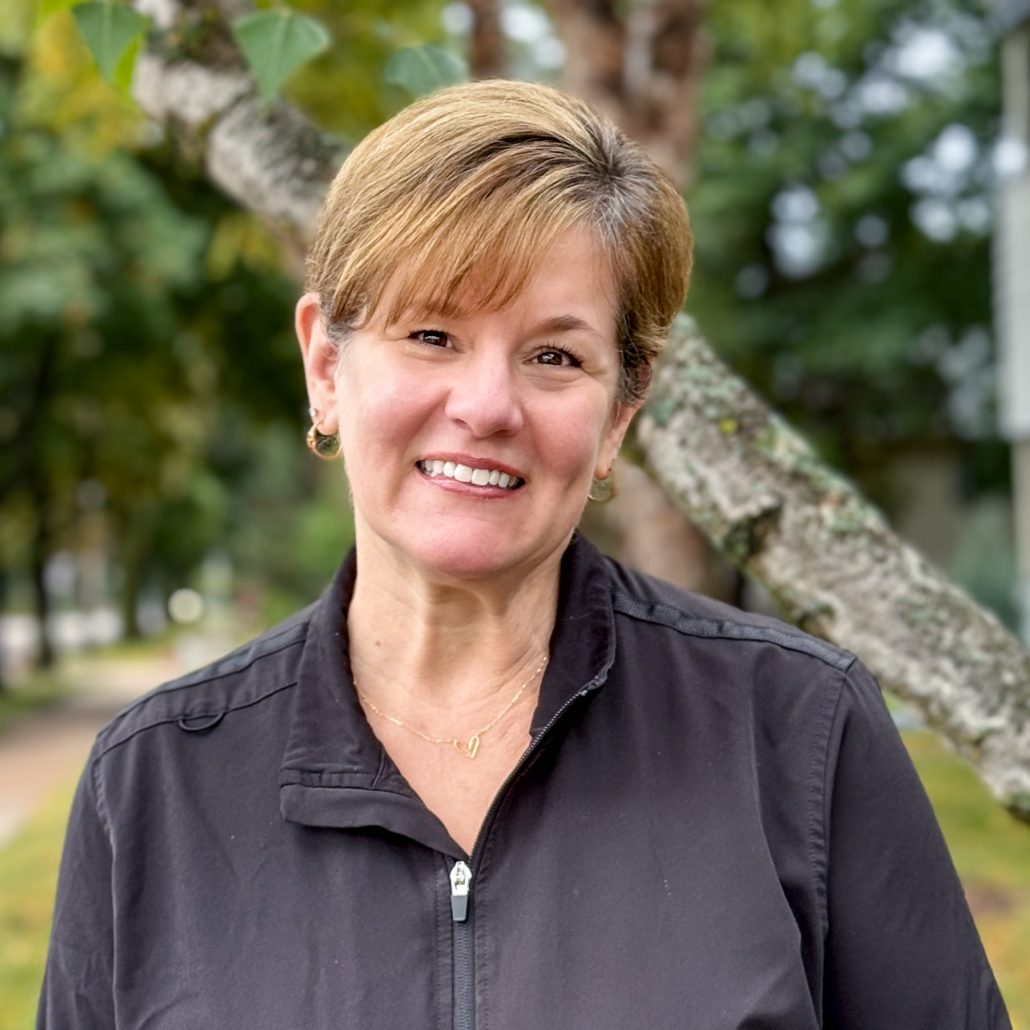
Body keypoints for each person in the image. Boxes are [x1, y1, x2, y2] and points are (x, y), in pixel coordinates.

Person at [38, 80, 1010, 1030]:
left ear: (618, 414)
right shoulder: (155, 783)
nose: (487, 405)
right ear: (326, 367)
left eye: (554, 356)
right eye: (431, 334)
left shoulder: (796, 734)